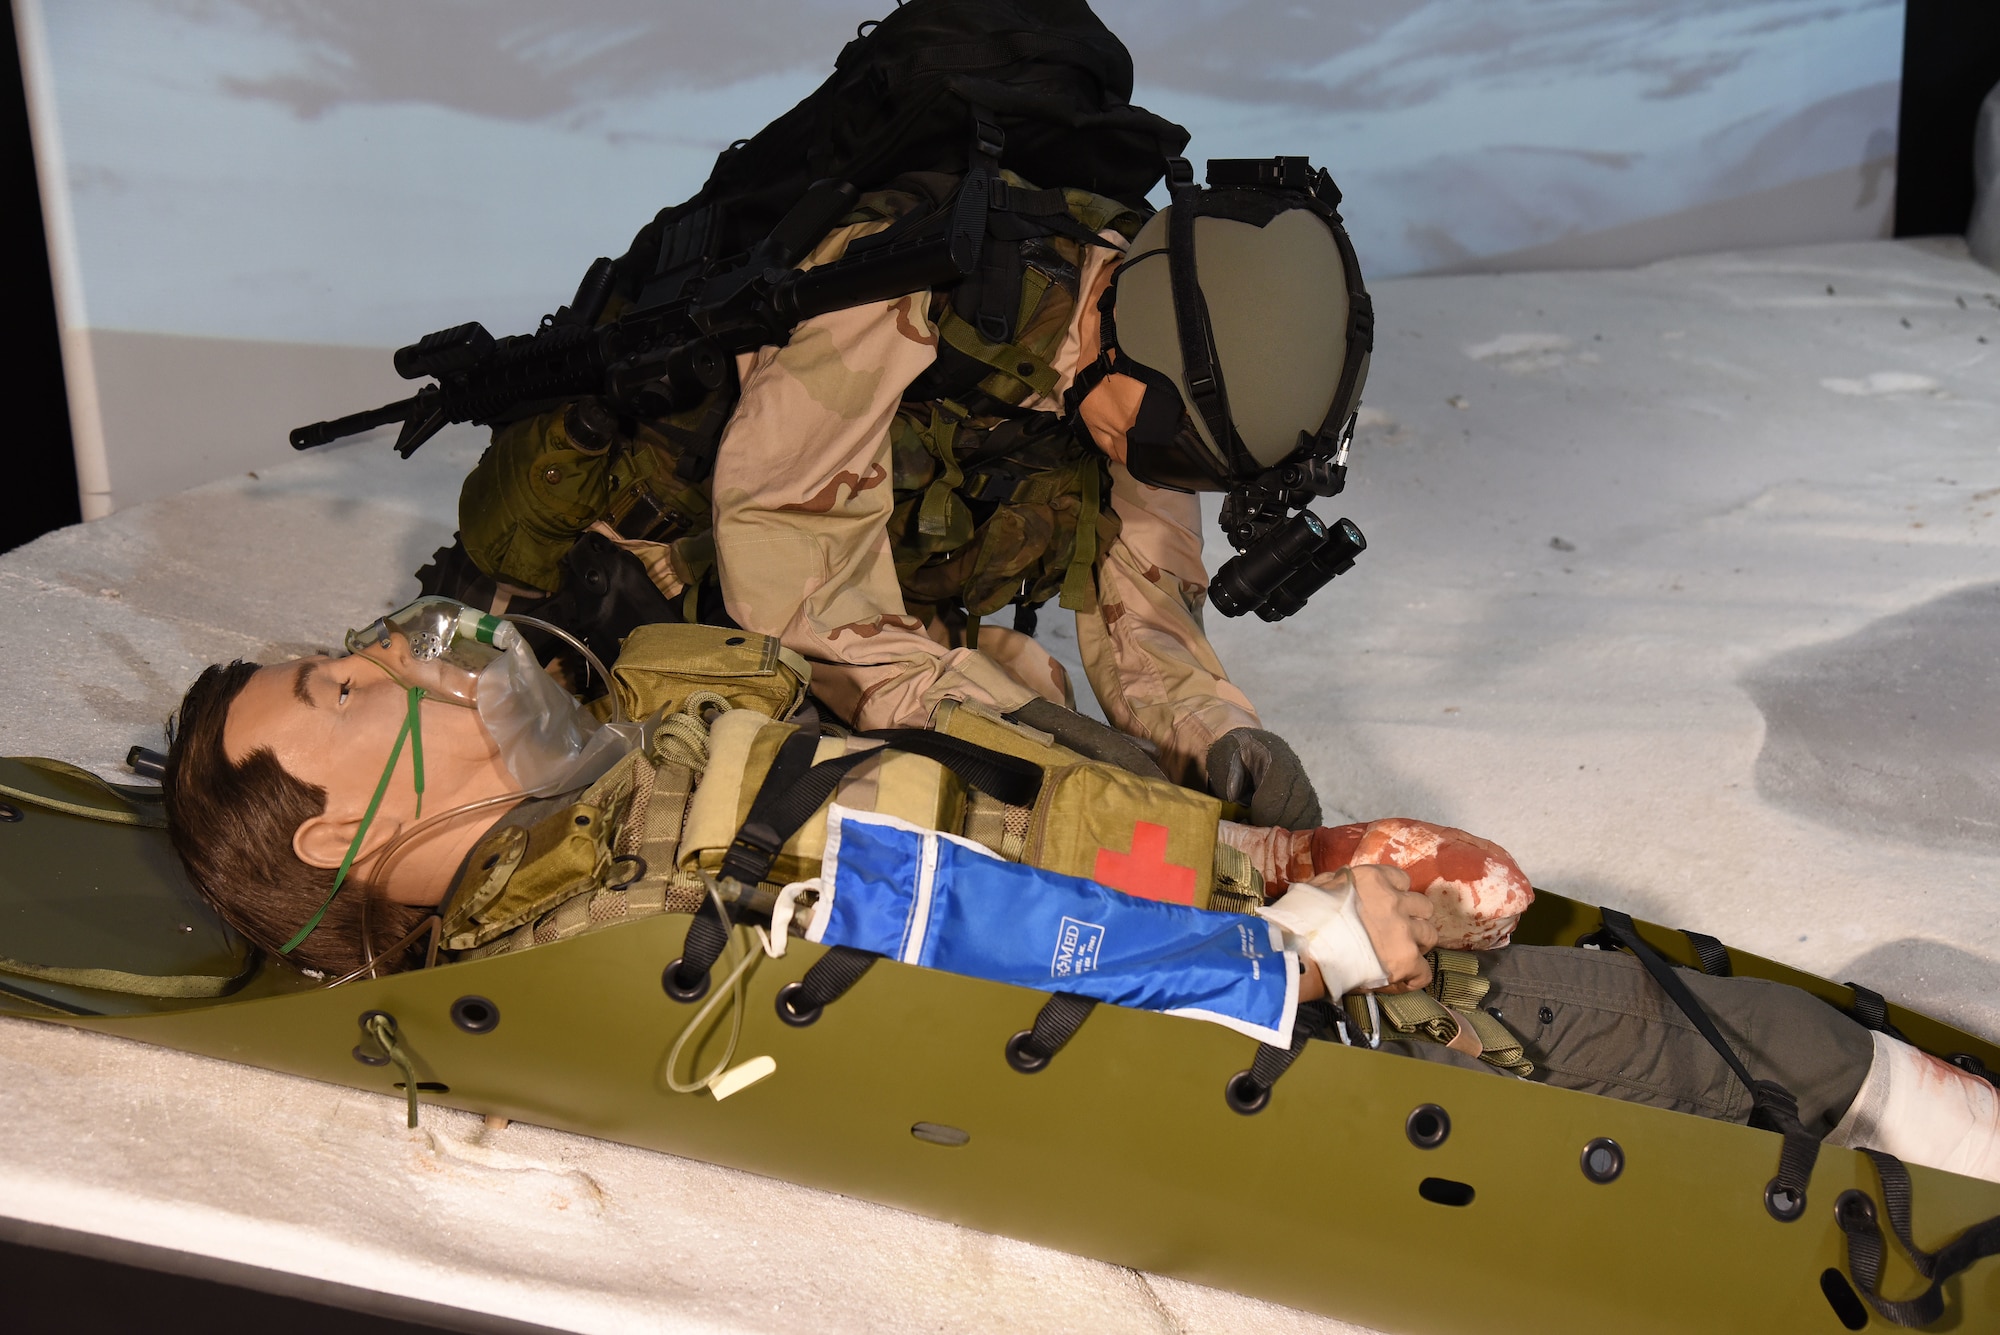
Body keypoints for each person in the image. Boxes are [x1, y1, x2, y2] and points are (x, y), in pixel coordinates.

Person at [160, 605, 2000, 1185]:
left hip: (1173, 859)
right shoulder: (610, 928)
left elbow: (933, 791)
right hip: (1276, 1006)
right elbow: (974, 958)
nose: (402, 659)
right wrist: (1300, 942)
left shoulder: (624, 769)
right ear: (338, 840)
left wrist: (1218, 827)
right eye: (342, 694)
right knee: (1758, 1048)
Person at [439, 159, 1370, 833]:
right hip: (665, 591)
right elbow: (789, 551)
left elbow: (1144, 608)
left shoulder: (1140, 370)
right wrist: (997, 727)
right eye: (1173, 448)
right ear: (1131, 327)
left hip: (866, 615)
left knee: (1029, 710)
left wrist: (1218, 742)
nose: (1167, 473)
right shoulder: (907, 285)